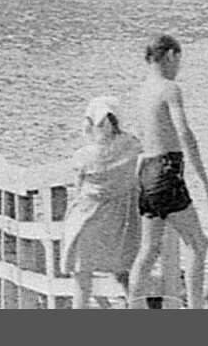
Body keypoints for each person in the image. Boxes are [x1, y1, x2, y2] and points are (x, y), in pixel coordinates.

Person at [125, 33, 208, 309]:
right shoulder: (169, 88)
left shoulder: (141, 92)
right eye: (179, 60)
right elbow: (184, 133)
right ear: (170, 56)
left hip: (147, 171)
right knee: (198, 244)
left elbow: (140, 137)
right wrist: (204, 179)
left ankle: (134, 309)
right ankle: (195, 309)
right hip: (166, 170)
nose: (179, 68)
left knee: (149, 250)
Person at [63, 96, 143, 308]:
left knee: (82, 277)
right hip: (121, 223)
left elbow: (79, 189)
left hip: (87, 220)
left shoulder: (83, 156)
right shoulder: (132, 146)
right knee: (127, 272)